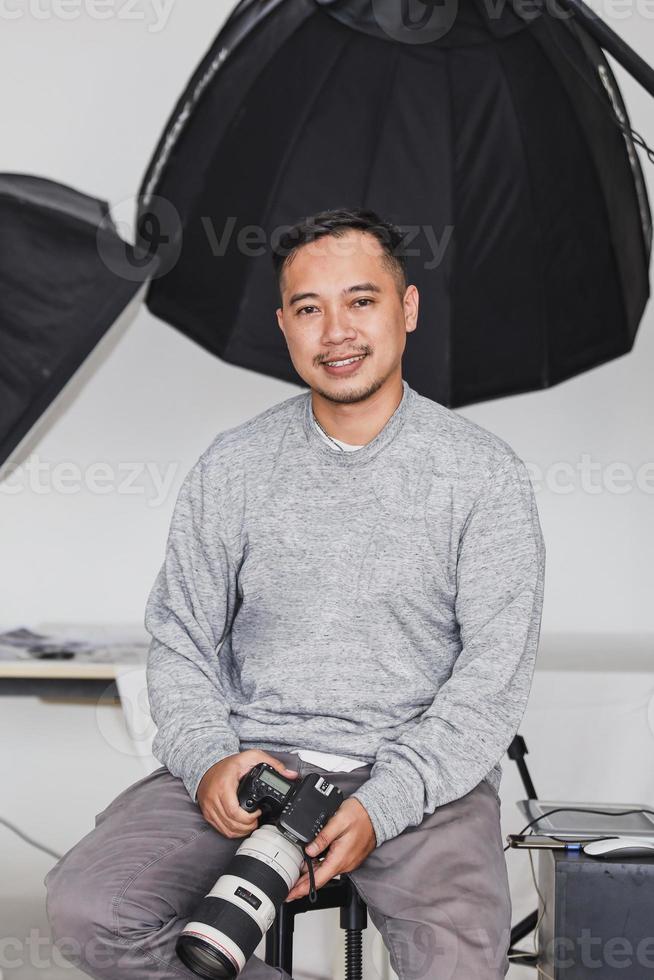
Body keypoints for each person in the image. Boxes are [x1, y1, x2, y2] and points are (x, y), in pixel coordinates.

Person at [44, 207, 546, 979]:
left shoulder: (483, 475)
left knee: (459, 967)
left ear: (407, 309)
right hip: (256, 756)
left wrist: (385, 803)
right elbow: (180, 637)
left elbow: (493, 678)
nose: (335, 330)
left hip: (414, 769)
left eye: (361, 300)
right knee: (89, 910)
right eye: (310, 310)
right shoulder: (234, 468)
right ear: (285, 326)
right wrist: (211, 759)